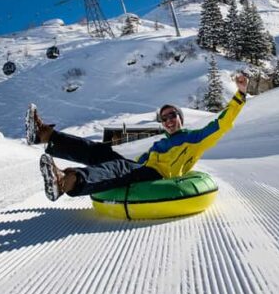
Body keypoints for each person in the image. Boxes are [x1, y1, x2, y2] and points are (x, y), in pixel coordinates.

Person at [32, 73, 249, 201]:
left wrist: (239, 95)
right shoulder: (161, 142)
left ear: (180, 117)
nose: (168, 120)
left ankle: (65, 182)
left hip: (158, 176)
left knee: (118, 168)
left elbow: (222, 124)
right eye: (164, 118)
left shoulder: (194, 138)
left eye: (172, 115)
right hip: (142, 168)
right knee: (101, 152)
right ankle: (45, 135)